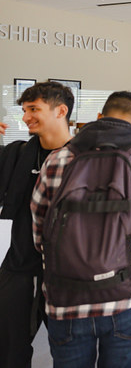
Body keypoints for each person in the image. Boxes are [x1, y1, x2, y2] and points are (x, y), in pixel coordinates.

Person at [31, 91, 131, 368]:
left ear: (100, 117)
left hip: (67, 296)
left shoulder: (57, 159)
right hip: (127, 293)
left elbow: (40, 232)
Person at [0, 82, 73, 367]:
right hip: (20, 266)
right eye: (24, 110)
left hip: (68, 274)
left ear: (61, 111)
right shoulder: (17, 155)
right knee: (8, 349)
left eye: (34, 109)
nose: (26, 116)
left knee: (70, 353)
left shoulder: (86, 160)